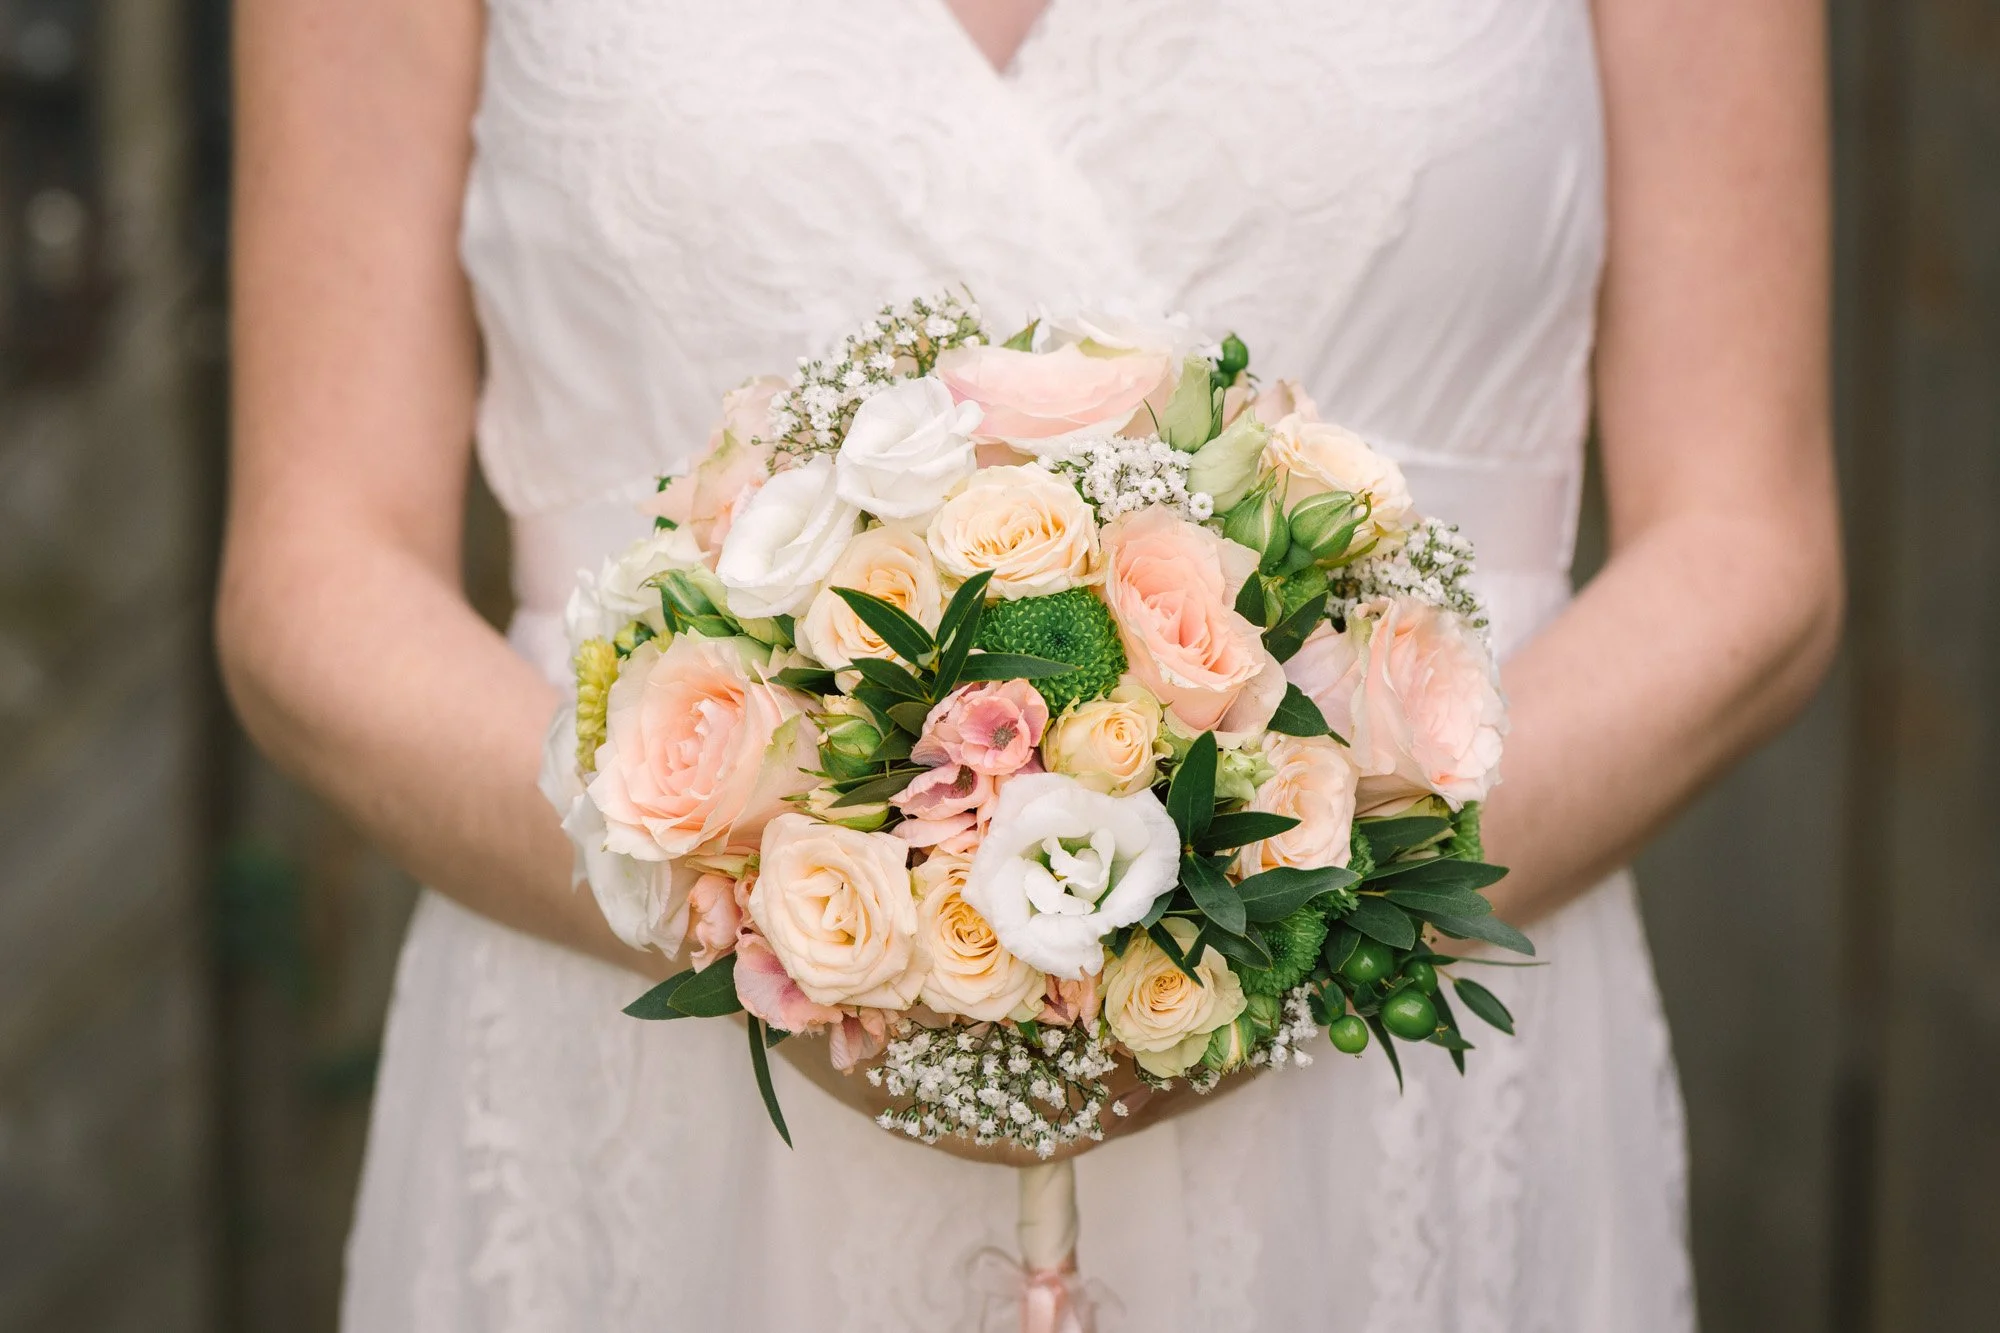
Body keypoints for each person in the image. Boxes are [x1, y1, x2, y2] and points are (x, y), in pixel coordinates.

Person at [217, 1, 1841, 1328]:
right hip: (661, 1096)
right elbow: (317, 581)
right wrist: (760, 929)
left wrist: (1283, 933)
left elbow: (1749, 552)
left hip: (1382, 1080)